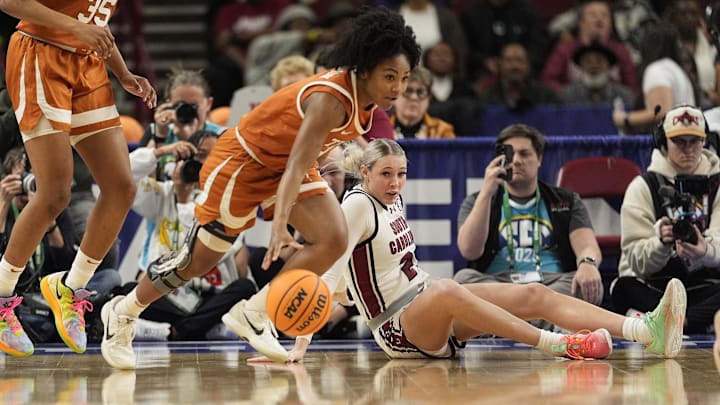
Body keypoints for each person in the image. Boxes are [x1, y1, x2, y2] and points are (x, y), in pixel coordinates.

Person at [99, 6, 422, 369]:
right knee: (195, 263)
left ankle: (254, 314)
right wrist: (281, 225)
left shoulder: (365, 103)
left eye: (404, 78)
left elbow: (303, 163)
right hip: (244, 164)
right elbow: (299, 163)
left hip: (286, 167)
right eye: (389, 77)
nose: (398, 88)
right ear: (364, 70)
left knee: (333, 237)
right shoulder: (331, 99)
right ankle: (123, 312)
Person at [251, 139, 686, 363]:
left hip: (427, 310)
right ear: (364, 173)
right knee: (446, 286)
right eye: (386, 173)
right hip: (397, 329)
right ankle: (560, 345)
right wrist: (299, 344)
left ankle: (647, 332)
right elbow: (328, 273)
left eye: (401, 174)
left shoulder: (392, 198)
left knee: (535, 294)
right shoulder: (357, 205)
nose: (396, 182)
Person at [0, 0, 156, 357]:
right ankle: (2, 296)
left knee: (121, 187)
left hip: (87, 64)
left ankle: (71, 289)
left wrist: (123, 73)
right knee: (55, 193)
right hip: (39, 55)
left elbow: (94, 23)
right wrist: (76, 29)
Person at [453, 124, 605, 316]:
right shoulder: (478, 200)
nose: (516, 161)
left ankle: (503, 322)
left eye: (525, 154)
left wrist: (587, 264)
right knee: (462, 280)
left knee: (586, 284)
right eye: (510, 155)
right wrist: (486, 194)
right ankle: (541, 322)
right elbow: (470, 251)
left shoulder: (566, 200)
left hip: (549, 285)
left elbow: (587, 247)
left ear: (539, 159)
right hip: (499, 285)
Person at [125, 130, 257, 341]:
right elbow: (123, 174)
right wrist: (160, 152)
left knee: (245, 288)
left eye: (216, 156)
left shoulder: (230, 200)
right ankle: (205, 328)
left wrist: (184, 202)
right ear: (187, 158)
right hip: (171, 295)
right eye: (202, 155)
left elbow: (202, 255)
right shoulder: (165, 193)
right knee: (129, 290)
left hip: (212, 295)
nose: (208, 163)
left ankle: (172, 331)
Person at [611, 105, 720, 334]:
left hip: (706, 283)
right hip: (658, 285)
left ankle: (672, 324)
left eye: (695, 141)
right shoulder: (643, 186)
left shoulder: (717, 185)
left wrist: (705, 251)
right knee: (621, 288)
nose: (688, 149)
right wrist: (660, 242)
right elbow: (635, 261)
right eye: (680, 142)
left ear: (705, 142)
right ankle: (703, 322)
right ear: (663, 142)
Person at [0, 147, 121, 344]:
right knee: (42, 325)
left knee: (110, 276)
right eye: (20, 178)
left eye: (31, 177)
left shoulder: (54, 206)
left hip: (51, 289)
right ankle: (70, 320)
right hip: (20, 296)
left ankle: (67, 310)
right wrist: (3, 203)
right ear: (5, 179)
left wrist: (45, 214)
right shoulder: (3, 208)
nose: (26, 184)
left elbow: (65, 260)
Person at [612, 22, 696, 134]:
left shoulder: (657, 70)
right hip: (687, 137)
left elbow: (662, 111)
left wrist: (625, 119)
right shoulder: (677, 69)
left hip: (673, 141)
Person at [560, 40, 636, 107]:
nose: (594, 66)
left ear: (608, 66)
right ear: (580, 66)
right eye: (588, 61)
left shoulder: (624, 97)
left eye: (599, 61)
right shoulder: (567, 97)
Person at [387, 66, 456, 139]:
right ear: (393, 97)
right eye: (408, 91)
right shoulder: (379, 127)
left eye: (420, 92)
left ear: (429, 99)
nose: (414, 97)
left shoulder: (443, 131)